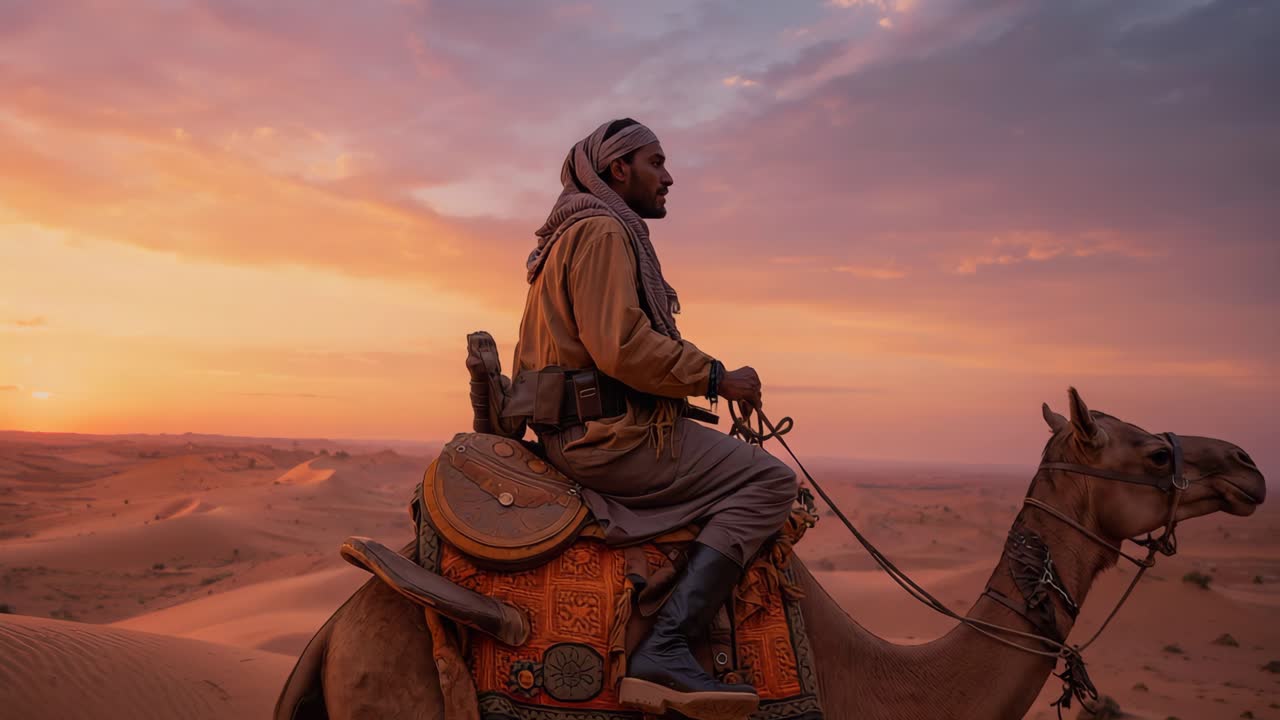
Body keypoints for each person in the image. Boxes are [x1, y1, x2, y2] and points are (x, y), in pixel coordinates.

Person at [506, 118, 798, 718]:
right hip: (609, 440)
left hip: (585, 429)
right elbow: (622, 346)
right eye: (656, 163)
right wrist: (716, 377)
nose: (669, 178)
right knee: (770, 481)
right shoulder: (604, 232)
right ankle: (665, 644)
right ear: (619, 169)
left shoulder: (573, 233)